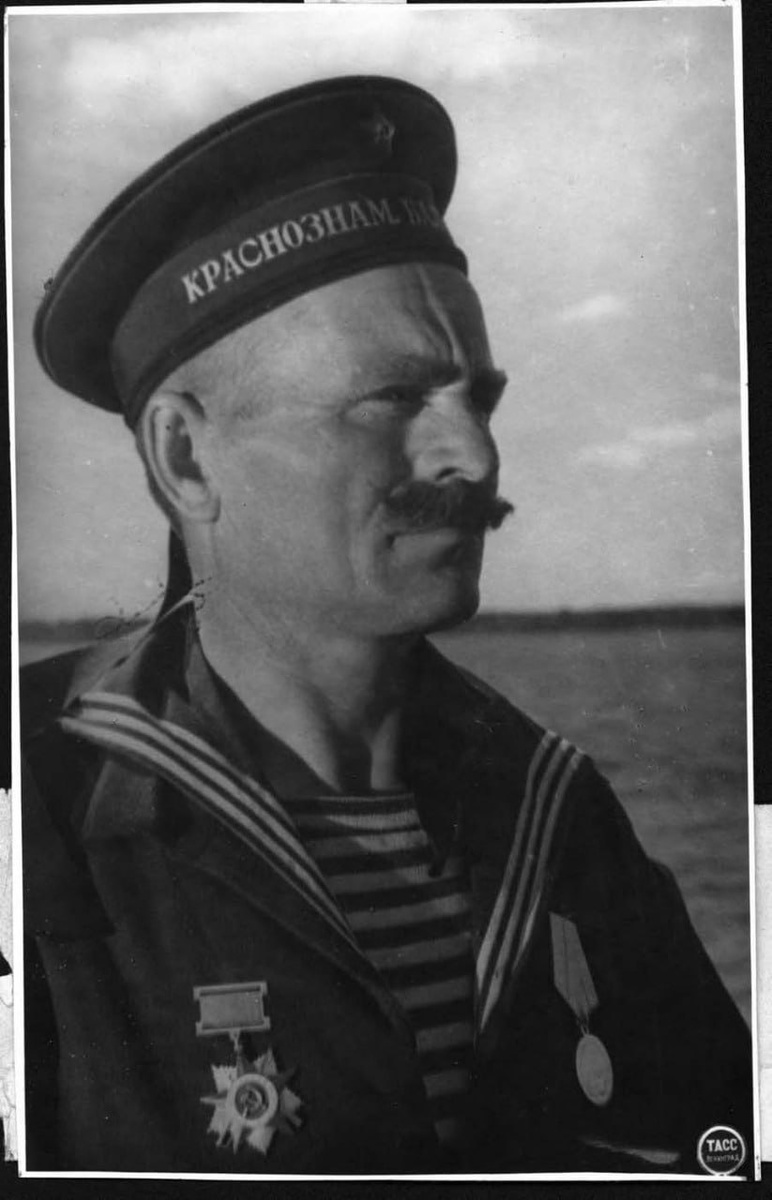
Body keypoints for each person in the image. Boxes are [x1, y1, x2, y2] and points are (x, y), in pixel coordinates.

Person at [20, 74, 752, 1176]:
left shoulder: (553, 806)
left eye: (478, 399)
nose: (474, 456)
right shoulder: (34, 814)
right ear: (186, 457)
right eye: (394, 399)